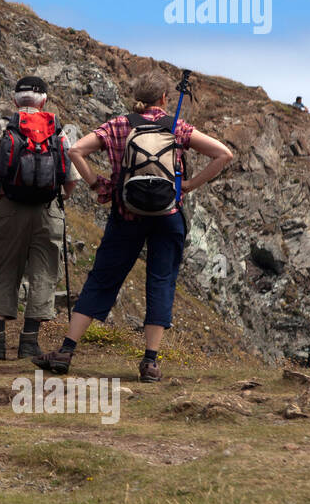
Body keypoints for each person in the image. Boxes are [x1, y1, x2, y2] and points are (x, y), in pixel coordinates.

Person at [33, 69, 234, 383]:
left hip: (126, 214)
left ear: (137, 96)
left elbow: (75, 150)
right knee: (161, 282)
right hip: (168, 216)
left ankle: (66, 351)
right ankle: (150, 362)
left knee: (102, 279)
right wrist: (188, 186)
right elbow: (223, 154)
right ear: (165, 98)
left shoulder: (119, 125)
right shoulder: (176, 126)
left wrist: (98, 184)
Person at [0, 76, 79, 360]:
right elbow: (71, 180)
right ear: (45, 101)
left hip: (10, 207)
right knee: (44, 271)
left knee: (3, 268)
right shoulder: (60, 131)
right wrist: (58, 198)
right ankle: (29, 342)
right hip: (48, 209)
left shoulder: (2, 128)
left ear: (15, 100)